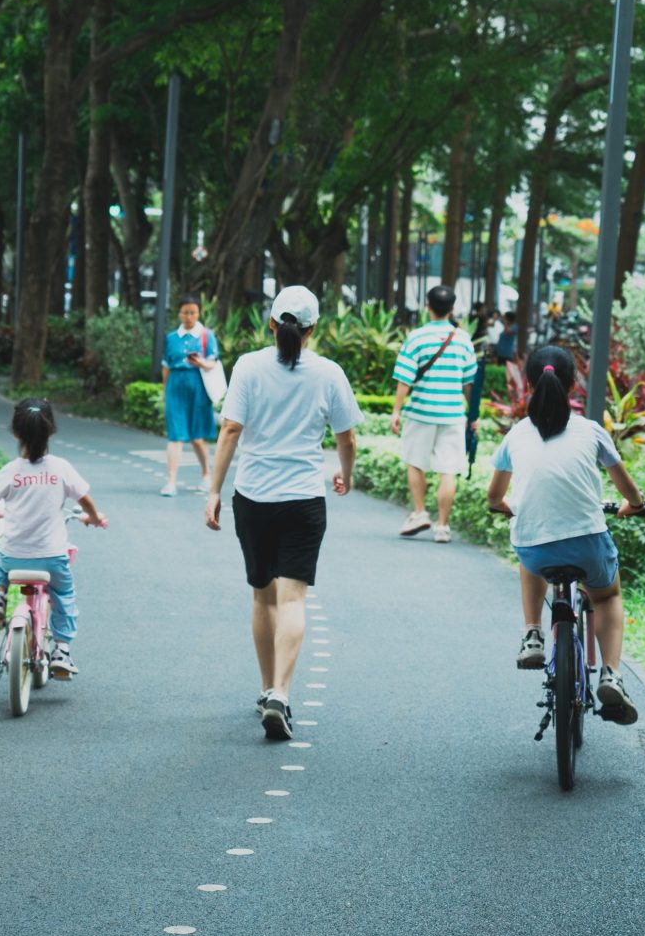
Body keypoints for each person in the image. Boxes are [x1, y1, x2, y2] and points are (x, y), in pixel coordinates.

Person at [204, 286, 362, 741]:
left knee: (262, 595)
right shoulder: (329, 373)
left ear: (271, 324)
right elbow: (346, 438)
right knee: (293, 598)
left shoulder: (248, 366)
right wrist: (345, 475)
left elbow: (231, 428)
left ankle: (265, 687)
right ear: (313, 329)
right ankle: (282, 694)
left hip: (253, 497)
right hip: (303, 499)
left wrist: (214, 491)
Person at [486, 345, 645, 722]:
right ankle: (611, 673)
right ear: (574, 385)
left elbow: (494, 496)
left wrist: (505, 506)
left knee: (528, 548)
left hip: (536, 549)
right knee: (607, 595)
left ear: (529, 385)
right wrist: (635, 505)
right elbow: (628, 489)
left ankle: (532, 635)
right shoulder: (591, 431)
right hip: (587, 541)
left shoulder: (517, 435)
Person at [0, 397, 107, 679]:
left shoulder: (10, 471)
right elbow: (85, 500)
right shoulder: (60, 468)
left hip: (14, 558)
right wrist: (94, 518)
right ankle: (61, 649)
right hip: (52, 558)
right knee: (64, 595)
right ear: (51, 431)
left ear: (15, 432)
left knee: (0, 558)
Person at [390, 284, 478, 542]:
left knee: (415, 462)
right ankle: (442, 526)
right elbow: (469, 382)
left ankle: (419, 513)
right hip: (452, 414)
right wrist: (473, 416)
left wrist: (396, 410)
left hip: (420, 412)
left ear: (427, 306)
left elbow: (404, 378)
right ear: (452, 309)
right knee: (448, 470)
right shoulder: (463, 339)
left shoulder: (416, 337)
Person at [160, 295, 220, 497]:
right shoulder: (171, 338)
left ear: (199, 313)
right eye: (185, 312)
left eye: (193, 312)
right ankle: (171, 481)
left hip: (198, 386)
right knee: (175, 436)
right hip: (175, 387)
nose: (189, 316)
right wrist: (164, 391)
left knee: (197, 437)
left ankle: (206, 475)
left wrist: (200, 363)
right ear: (179, 313)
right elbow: (166, 367)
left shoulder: (206, 335)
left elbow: (213, 363)